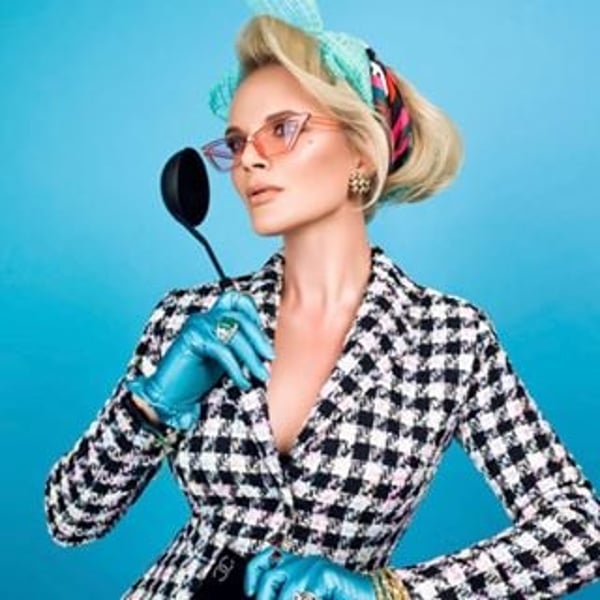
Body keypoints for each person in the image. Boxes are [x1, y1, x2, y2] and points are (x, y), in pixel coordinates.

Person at [44, 1, 600, 598]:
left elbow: (581, 530)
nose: (249, 159)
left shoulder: (450, 340)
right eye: (236, 142)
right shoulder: (192, 320)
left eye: (282, 129)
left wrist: (390, 592)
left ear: (361, 150)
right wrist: (151, 404)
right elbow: (71, 521)